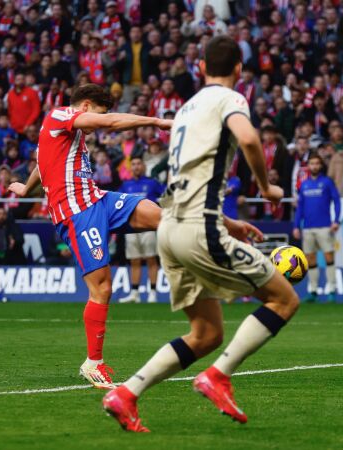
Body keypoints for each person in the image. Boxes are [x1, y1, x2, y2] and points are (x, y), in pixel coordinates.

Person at [103, 35, 297, 433]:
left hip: (170, 228)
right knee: (283, 299)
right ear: (239, 70)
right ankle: (219, 376)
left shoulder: (187, 109)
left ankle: (125, 394)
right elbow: (248, 138)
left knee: (206, 333)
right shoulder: (230, 100)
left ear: (201, 68)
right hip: (196, 228)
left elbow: (190, 181)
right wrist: (265, 188)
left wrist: (229, 223)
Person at [8, 83, 172, 389]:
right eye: (99, 111)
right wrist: (156, 122)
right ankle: (93, 364)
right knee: (102, 288)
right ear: (84, 106)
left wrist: (24, 188)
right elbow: (109, 123)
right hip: (76, 213)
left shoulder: (66, 133)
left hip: (98, 200)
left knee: (164, 218)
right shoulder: (60, 115)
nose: (102, 121)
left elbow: (44, 163)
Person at [292, 153, 341, 303]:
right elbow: (300, 207)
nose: (314, 166)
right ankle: (313, 291)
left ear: (320, 166)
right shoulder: (304, 185)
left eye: (317, 164)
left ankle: (332, 290)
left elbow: (337, 201)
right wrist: (296, 226)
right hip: (308, 228)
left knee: (328, 257)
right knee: (310, 259)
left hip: (325, 227)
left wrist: (336, 220)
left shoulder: (327, 182)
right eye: (312, 164)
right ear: (308, 166)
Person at [118, 156, 165, 304]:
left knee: (151, 259)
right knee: (134, 260)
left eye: (139, 164)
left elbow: (165, 195)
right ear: (130, 168)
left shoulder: (152, 183)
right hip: (130, 227)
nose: (136, 167)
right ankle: (135, 293)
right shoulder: (126, 185)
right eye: (134, 164)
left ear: (143, 166)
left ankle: (152, 293)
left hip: (148, 227)